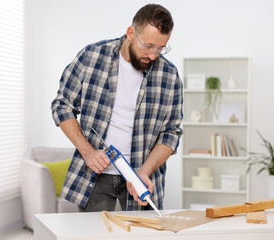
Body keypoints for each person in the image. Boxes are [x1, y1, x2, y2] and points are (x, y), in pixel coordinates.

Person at [51, 4, 183, 212]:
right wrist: (88, 153)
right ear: (130, 33)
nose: (153, 55)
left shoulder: (169, 75)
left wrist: (145, 171)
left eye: (160, 48)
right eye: (148, 46)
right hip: (94, 178)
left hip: (140, 179)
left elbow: (172, 132)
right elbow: (62, 105)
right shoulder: (91, 57)